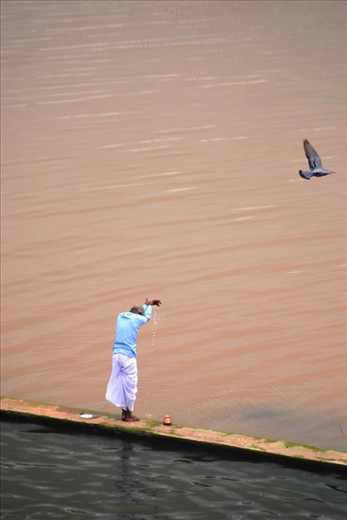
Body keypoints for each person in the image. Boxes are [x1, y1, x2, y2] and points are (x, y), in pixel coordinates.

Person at [105, 297, 162, 422]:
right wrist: (150, 306)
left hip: (116, 355)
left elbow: (137, 312)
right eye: (140, 314)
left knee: (121, 383)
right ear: (137, 314)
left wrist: (146, 304)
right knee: (131, 385)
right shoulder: (137, 318)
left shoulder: (120, 316)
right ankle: (128, 415)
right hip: (127, 357)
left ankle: (123, 413)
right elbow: (146, 318)